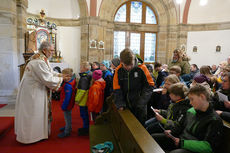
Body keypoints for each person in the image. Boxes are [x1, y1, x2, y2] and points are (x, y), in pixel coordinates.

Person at [15, 41, 66, 144]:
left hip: (36, 89)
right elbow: (47, 79)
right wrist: (62, 80)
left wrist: (60, 75)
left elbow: (49, 72)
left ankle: (38, 134)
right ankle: (30, 137)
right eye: (51, 50)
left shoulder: (42, 59)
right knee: (33, 113)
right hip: (33, 92)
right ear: (44, 50)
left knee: (36, 113)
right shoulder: (38, 61)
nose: (53, 52)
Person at [152, 84, 223, 153]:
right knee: (154, 138)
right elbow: (181, 127)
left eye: (192, 99)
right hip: (181, 141)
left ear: (202, 97)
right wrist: (172, 132)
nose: (190, 103)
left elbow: (208, 147)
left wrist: (182, 143)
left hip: (193, 149)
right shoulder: (191, 111)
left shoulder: (214, 120)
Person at [113, 48, 155, 125]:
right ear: (121, 62)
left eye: (131, 64)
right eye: (126, 65)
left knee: (140, 128)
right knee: (126, 126)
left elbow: (150, 86)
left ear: (133, 59)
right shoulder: (118, 70)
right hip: (126, 105)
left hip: (140, 105)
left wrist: (141, 102)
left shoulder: (142, 68)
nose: (129, 67)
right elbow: (117, 88)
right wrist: (120, 104)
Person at [75, 61, 92, 136]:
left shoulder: (84, 77)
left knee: (84, 114)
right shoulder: (88, 74)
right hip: (85, 98)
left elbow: (82, 90)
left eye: (81, 67)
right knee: (85, 114)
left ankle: (86, 129)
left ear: (85, 68)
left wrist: (77, 99)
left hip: (83, 99)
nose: (80, 68)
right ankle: (86, 127)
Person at [58, 68, 76, 138]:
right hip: (69, 103)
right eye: (64, 76)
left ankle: (67, 131)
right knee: (68, 116)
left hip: (67, 104)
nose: (65, 78)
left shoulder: (68, 85)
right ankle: (67, 127)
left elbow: (67, 97)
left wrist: (64, 106)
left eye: (67, 76)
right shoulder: (70, 82)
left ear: (70, 76)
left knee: (67, 117)